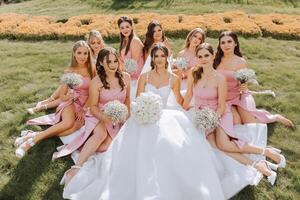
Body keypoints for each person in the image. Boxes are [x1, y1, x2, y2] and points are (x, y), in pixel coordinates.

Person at [62, 44, 227, 200]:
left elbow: (181, 101)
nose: (160, 59)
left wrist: (194, 103)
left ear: (167, 58)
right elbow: (136, 100)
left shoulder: (174, 79)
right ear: (152, 59)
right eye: (156, 56)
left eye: (162, 56)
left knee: (169, 144)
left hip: (165, 115)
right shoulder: (144, 77)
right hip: (145, 115)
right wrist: (142, 111)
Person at [183, 42, 286, 185]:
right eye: (200, 56)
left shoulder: (220, 78)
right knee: (214, 146)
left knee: (224, 144)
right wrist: (182, 109)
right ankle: (256, 165)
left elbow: (221, 104)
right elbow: (188, 95)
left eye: (206, 55)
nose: (203, 59)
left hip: (220, 113)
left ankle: (266, 152)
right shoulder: (193, 73)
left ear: (213, 56)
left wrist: (213, 119)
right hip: (202, 115)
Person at [15, 41, 96, 158]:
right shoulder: (70, 71)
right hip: (71, 102)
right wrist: (68, 96)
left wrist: (84, 109)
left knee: (75, 127)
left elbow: (93, 94)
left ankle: (32, 135)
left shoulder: (93, 70)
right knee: (68, 123)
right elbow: (62, 95)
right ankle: (29, 143)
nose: (82, 57)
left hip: (85, 104)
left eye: (85, 53)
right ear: (74, 53)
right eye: (79, 53)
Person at [214, 31, 293, 127]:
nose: (226, 45)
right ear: (219, 45)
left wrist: (244, 85)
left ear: (235, 43)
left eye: (229, 41)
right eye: (223, 42)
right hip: (222, 97)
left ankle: (275, 117)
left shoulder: (241, 62)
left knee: (250, 122)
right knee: (235, 122)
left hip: (238, 95)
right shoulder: (215, 59)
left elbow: (243, 81)